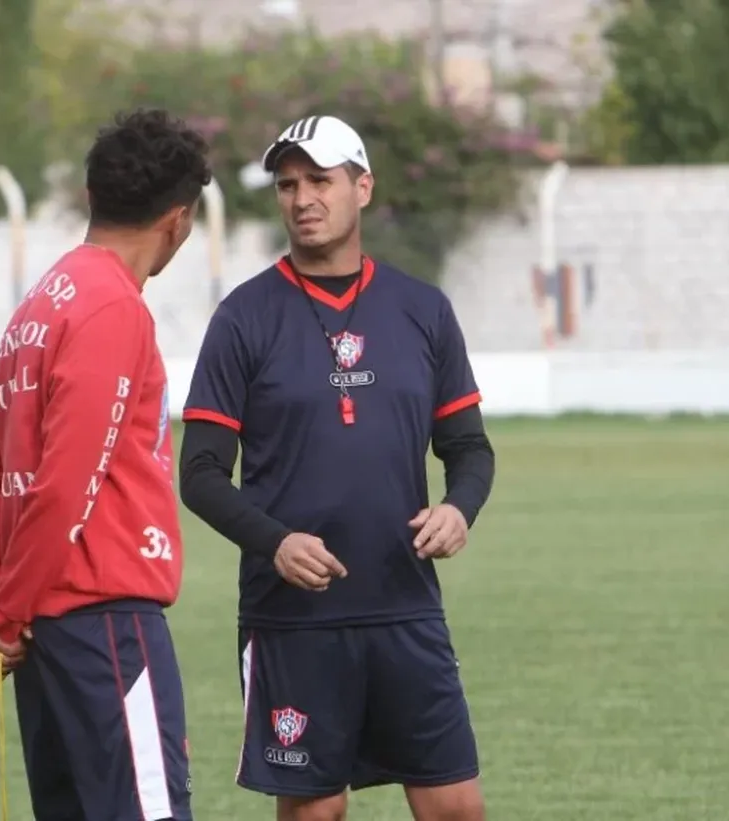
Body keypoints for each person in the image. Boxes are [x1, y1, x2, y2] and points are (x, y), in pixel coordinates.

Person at [178, 114, 495, 821]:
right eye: (287, 184)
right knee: (316, 812)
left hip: (405, 604)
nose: (301, 198)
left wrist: (458, 507)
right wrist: (275, 541)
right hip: (293, 620)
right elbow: (198, 471)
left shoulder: (423, 309)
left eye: (320, 180)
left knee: (455, 805)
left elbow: (470, 448)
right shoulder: (243, 317)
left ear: (363, 187)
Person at [0, 108, 211, 821]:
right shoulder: (111, 309)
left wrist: (2, 605)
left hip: (43, 627)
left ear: (92, 197)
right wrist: (6, 615)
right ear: (179, 221)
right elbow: (66, 484)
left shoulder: (38, 306)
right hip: (104, 624)